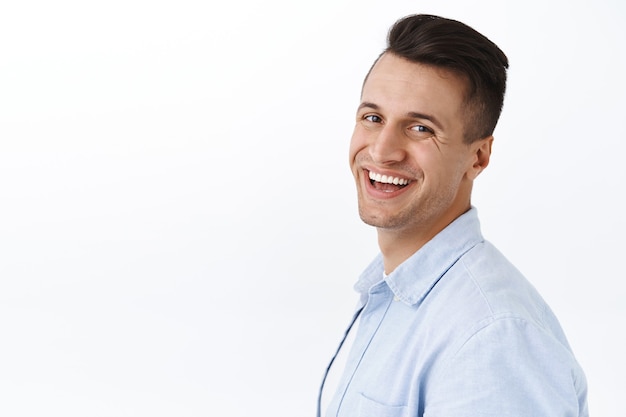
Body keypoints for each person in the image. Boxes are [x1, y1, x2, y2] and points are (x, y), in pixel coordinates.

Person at [318, 14, 589, 417]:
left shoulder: (491, 338)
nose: (382, 150)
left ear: (477, 157)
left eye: (421, 128)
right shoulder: (395, 291)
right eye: (373, 118)